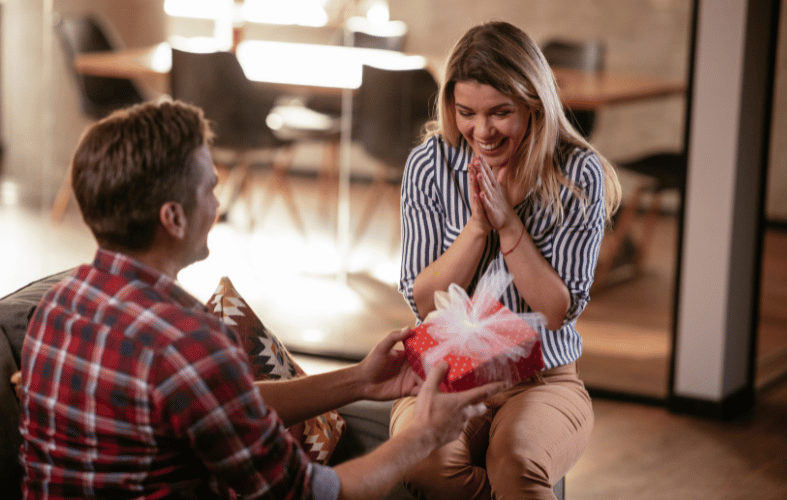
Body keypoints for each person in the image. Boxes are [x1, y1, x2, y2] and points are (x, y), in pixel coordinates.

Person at [16, 99, 509, 500]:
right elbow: (312, 493)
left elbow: (221, 403)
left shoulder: (60, 307)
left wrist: (359, 379)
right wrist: (422, 436)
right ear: (173, 217)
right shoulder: (187, 344)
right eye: (210, 187)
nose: (217, 199)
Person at [390, 21, 622, 500]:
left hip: (541, 380)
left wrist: (510, 224)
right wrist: (478, 227)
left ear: (533, 105)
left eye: (500, 113)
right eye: (466, 113)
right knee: (423, 465)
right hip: (446, 370)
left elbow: (555, 309)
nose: (482, 131)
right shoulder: (431, 164)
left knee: (516, 467)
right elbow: (425, 301)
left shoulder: (578, 173)